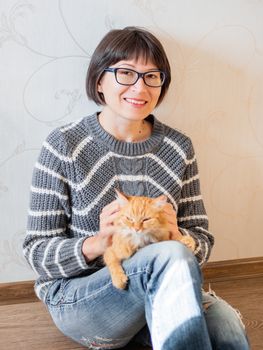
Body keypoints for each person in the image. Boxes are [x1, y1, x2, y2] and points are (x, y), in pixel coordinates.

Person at [23, 26, 250, 349]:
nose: (140, 87)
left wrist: (179, 238)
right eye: (126, 73)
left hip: (162, 282)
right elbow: (36, 252)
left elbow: (202, 239)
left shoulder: (178, 147)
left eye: (152, 76)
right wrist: (96, 244)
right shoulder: (64, 145)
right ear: (99, 80)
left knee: (226, 327)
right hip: (80, 297)